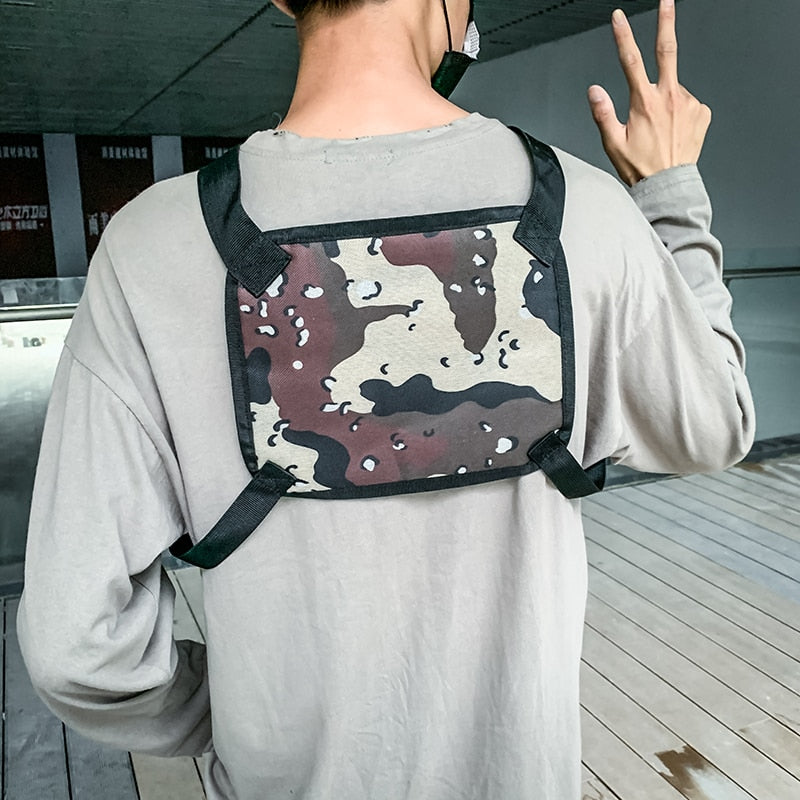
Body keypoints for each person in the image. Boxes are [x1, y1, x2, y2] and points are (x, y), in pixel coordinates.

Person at [18, 0, 754, 798]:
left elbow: (76, 645)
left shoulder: (151, 247)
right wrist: (670, 197)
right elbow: (714, 425)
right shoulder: (586, 213)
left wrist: (230, 708)